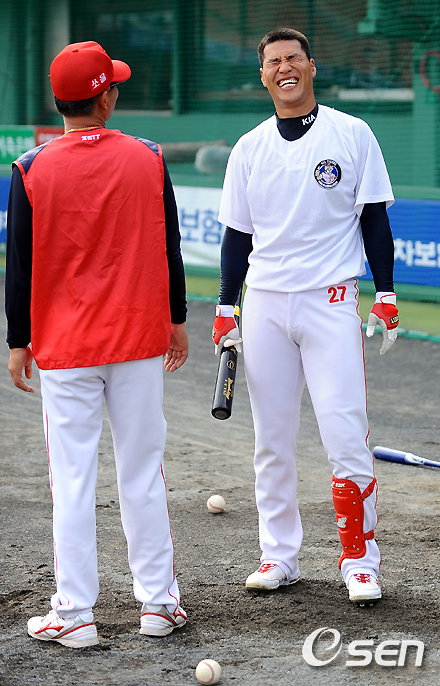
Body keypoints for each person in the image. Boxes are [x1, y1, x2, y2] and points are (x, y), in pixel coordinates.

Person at [5, 41, 189, 647]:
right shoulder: (148, 156)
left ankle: (75, 613)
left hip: (66, 347)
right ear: (105, 97)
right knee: (143, 474)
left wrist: (17, 340)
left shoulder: (30, 167)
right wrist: (177, 318)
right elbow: (170, 246)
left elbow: (20, 264)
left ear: (59, 100)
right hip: (138, 338)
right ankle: (159, 604)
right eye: (114, 86)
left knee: (72, 480)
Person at [212, 28, 399, 605]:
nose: (285, 67)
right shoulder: (248, 148)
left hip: (331, 301)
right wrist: (225, 305)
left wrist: (387, 294)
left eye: (294, 57)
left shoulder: (352, 133)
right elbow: (237, 237)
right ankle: (278, 557)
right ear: (263, 76)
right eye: (274, 61)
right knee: (271, 442)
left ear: (312, 66)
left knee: (345, 437)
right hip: (265, 304)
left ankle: (360, 562)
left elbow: (374, 220)